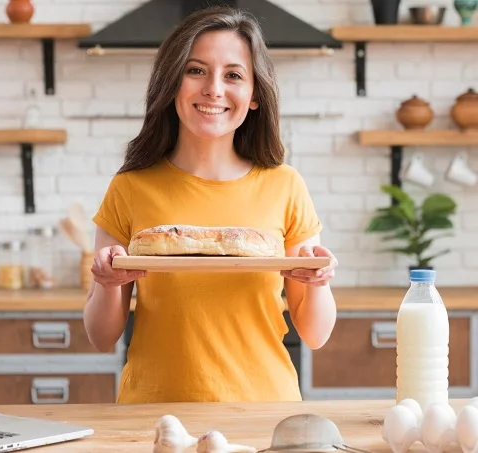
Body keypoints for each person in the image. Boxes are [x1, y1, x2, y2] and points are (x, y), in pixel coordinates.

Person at [83, 5, 338, 404]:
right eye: (196, 70)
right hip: (153, 415)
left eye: (233, 75)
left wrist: (319, 282)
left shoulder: (285, 185)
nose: (214, 89)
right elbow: (101, 337)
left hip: (263, 411)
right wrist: (106, 283)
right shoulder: (130, 187)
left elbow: (316, 334)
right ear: (172, 84)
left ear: (254, 96)